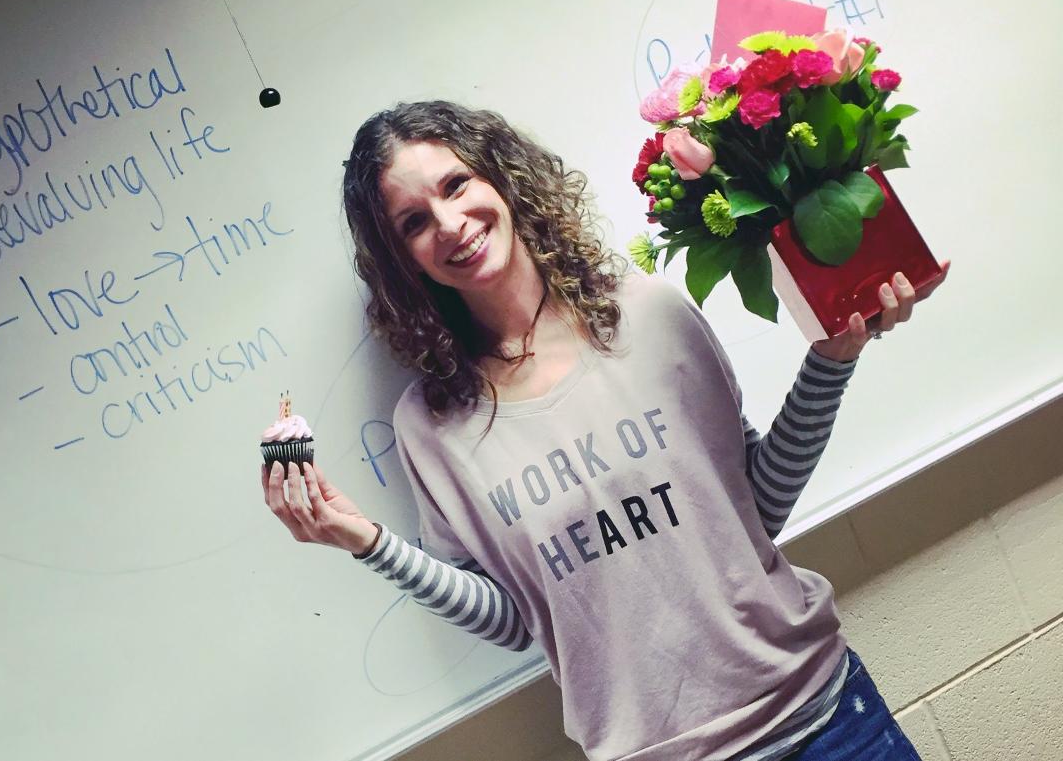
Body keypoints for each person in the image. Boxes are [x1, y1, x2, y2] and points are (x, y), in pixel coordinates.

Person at [262, 101, 949, 761]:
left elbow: (754, 509)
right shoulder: (432, 423)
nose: (449, 222)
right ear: (401, 258)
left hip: (823, 721)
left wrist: (831, 361)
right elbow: (513, 621)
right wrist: (365, 541)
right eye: (413, 220)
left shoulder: (649, 316)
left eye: (456, 183)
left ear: (500, 176)